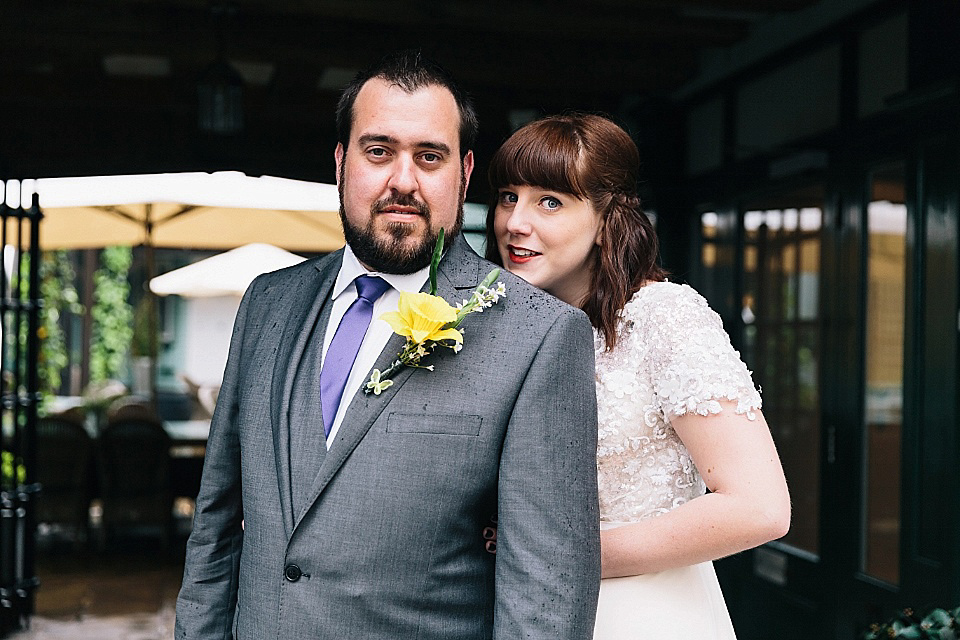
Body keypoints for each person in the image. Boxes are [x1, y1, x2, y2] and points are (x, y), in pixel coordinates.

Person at [174, 52, 601, 639]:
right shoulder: (267, 303)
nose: (404, 180)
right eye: (379, 152)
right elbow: (216, 526)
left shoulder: (538, 335)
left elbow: (545, 593)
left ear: (465, 172)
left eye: (430, 156)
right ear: (341, 163)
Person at [486, 113, 791, 639]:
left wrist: (566, 556)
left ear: (607, 220)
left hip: (643, 613)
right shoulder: (498, 324)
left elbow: (759, 508)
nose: (516, 221)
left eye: (550, 201)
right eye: (509, 196)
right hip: (518, 613)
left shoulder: (663, 316)